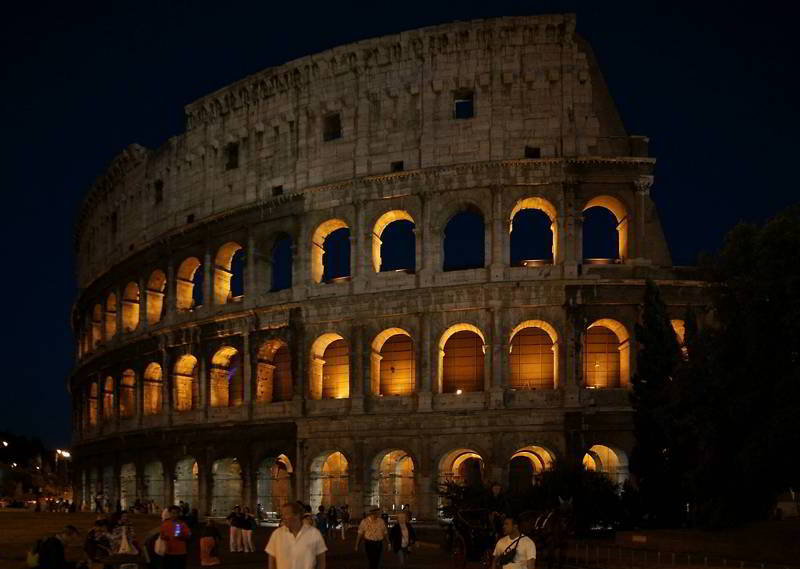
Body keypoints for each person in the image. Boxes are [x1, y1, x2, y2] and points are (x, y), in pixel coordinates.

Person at [265, 502, 327, 569]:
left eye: (286, 514)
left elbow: (321, 562)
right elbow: (272, 561)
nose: (283, 517)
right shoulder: (277, 534)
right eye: (282, 515)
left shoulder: (314, 534)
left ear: (297, 515)